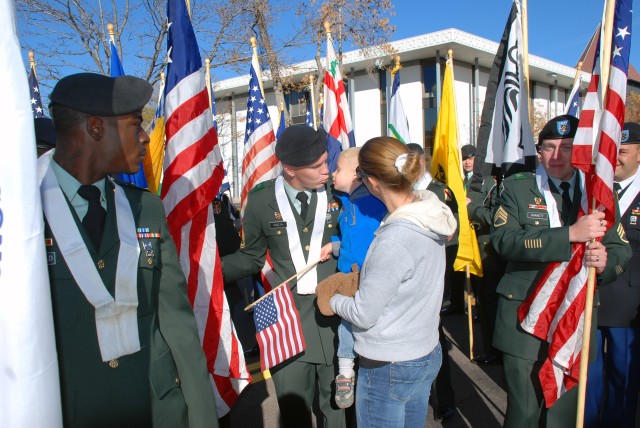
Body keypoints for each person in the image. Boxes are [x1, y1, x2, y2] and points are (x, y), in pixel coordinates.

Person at [41, 73, 218, 427]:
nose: (145, 137)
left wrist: (202, 418)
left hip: (159, 411)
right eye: (135, 124)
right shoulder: (18, 218)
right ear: (94, 128)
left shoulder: (145, 208)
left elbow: (176, 325)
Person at [490, 114, 632, 427]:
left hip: (575, 316)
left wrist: (605, 264)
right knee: (524, 413)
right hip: (522, 318)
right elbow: (502, 241)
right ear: (538, 151)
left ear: (581, 150)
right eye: (549, 148)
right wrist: (569, 235)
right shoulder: (518, 189)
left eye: (567, 147)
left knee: (564, 415)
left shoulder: (597, 193)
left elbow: (622, 249)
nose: (556, 156)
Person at [325, 136, 457, 428]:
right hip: (425, 350)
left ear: (371, 181)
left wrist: (332, 298)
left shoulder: (395, 238)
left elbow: (363, 313)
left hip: (390, 363)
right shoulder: (430, 212)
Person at [221, 125, 344, 427]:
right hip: (284, 319)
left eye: (326, 162)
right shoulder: (261, 200)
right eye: (316, 167)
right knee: (293, 411)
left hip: (335, 314)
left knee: (338, 409)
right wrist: (208, 271)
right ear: (289, 169)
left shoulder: (338, 192)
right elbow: (250, 257)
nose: (326, 171)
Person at [322, 147, 386, 409]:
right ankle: (346, 372)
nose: (333, 174)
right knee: (346, 326)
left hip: (366, 276)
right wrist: (334, 245)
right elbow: (348, 236)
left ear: (358, 174)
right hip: (348, 274)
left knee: (354, 326)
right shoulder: (347, 201)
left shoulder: (371, 203)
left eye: (338, 169)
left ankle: (352, 372)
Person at [585, 122, 640, 427]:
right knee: (587, 379)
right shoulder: (592, 187)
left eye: (622, 151)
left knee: (623, 380)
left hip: (629, 306)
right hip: (590, 298)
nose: (614, 158)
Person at [406, 142, 458, 423]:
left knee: (434, 339)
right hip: (411, 275)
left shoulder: (439, 192)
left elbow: (452, 233)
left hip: (434, 273)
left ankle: (444, 400)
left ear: (421, 163)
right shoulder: (404, 192)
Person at [467, 172, 505, 366]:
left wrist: (470, 208)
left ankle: (495, 350)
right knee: (484, 299)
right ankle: (492, 348)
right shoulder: (484, 181)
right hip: (481, 249)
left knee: (491, 302)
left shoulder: (503, 183)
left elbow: (494, 218)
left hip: (493, 253)